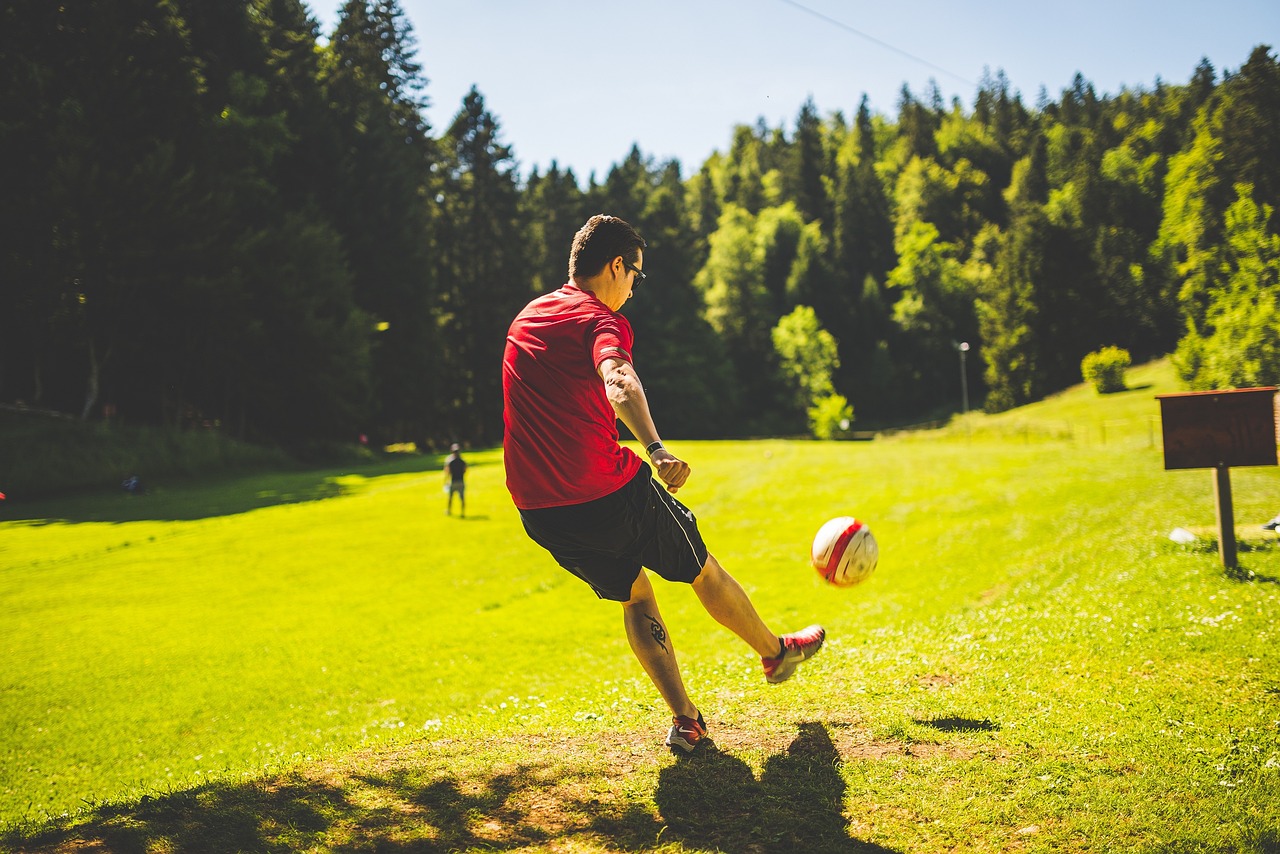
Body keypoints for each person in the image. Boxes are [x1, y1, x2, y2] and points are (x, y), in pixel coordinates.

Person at [501, 214, 825, 754]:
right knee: (700, 566)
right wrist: (655, 447)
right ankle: (774, 652)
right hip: (606, 493)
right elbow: (618, 378)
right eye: (636, 275)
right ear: (615, 265)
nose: (633, 287)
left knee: (635, 596)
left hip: (541, 512)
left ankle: (687, 720)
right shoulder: (600, 319)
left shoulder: (529, 316)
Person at [443, 443, 467, 517]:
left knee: (450, 498)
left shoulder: (450, 462)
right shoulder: (462, 461)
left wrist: (446, 481)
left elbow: (447, 472)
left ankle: (449, 511)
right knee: (462, 498)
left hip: (453, 481)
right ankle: (462, 513)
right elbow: (465, 470)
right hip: (461, 481)